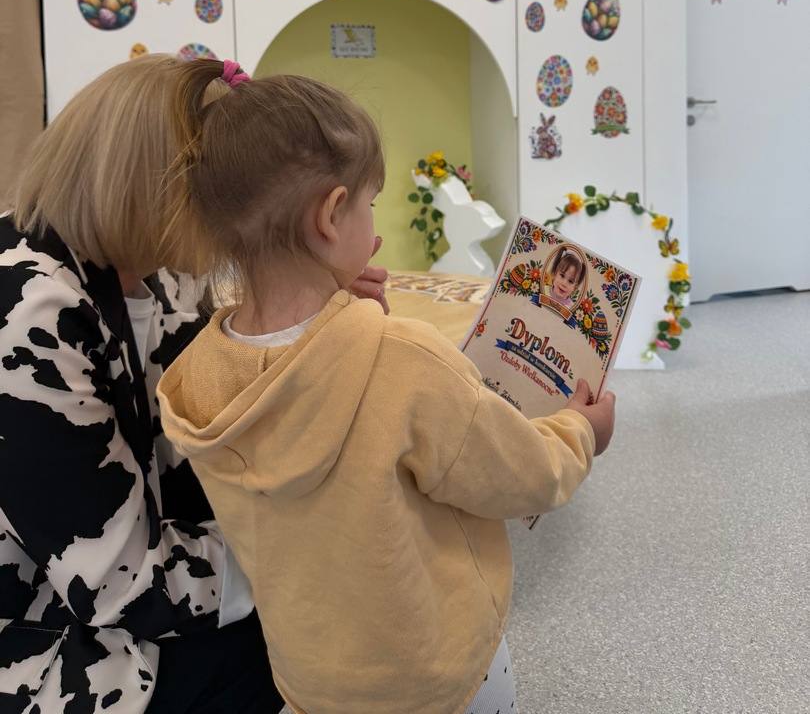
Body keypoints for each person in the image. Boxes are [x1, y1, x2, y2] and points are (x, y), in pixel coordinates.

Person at [156, 59, 616, 714]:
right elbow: (526, 477)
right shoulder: (406, 361)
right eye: (370, 204)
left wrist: (333, 302)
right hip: (438, 677)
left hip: (310, 679)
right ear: (331, 215)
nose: (373, 223)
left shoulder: (196, 375)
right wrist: (580, 433)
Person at [0, 54, 388, 713]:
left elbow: (210, 423)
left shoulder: (154, 275)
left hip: (127, 585)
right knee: (327, 651)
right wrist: (303, 554)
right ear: (160, 188)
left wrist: (306, 309)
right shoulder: (32, 313)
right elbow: (118, 584)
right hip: (50, 637)